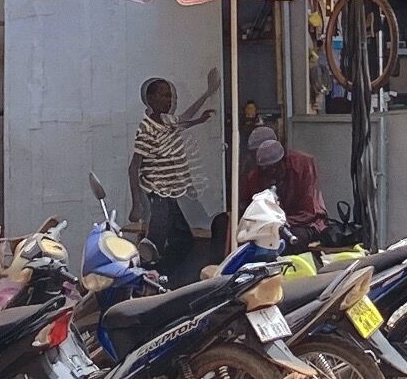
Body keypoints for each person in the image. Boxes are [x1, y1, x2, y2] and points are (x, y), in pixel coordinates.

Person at [130, 69, 220, 287]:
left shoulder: (166, 121)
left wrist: (206, 98)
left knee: (183, 240)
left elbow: (184, 120)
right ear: (150, 99)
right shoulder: (147, 130)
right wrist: (136, 204)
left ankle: (161, 277)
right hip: (158, 195)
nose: (169, 100)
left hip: (171, 194)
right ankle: (149, 280)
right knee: (155, 245)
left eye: (170, 95)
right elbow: (133, 167)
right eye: (163, 95)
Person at [242, 125, 328, 241]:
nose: (271, 172)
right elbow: (250, 205)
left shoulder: (303, 164)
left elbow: (310, 210)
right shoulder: (255, 174)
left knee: (291, 239)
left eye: (274, 167)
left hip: (303, 223)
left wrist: (283, 221)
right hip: (269, 226)